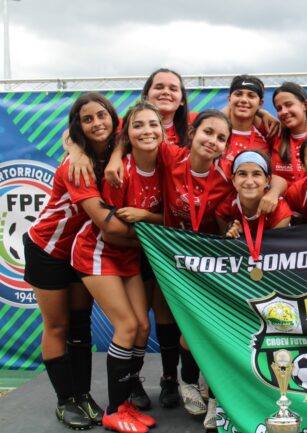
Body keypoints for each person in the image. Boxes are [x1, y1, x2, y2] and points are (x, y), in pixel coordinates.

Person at [23, 93, 121, 429]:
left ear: (113, 117)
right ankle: (65, 400)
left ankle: (83, 395)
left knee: (80, 325)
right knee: (57, 326)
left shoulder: (114, 151)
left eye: (101, 115)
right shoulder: (74, 164)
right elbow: (102, 219)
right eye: (87, 119)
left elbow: (131, 134)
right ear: (78, 127)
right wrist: (75, 150)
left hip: (80, 251)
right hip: (47, 249)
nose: (97, 123)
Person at [71, 101, 162, 433]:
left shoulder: (165, 166)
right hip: (97, 252)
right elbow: (109, 229)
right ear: (128, 134)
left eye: (153, 125)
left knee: (142, 327)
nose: (147, 131)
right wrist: (149, 238)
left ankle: (126, 404)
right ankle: (113, 410)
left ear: (163, 131)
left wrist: (150, 221)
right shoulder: (119, 171)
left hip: (128, 255)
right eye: (138, 125)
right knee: (127, 326)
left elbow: (170, 219)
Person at [217, 150, 291, 238]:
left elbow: (274, 245)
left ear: (267, 180)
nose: (249, 182)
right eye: (242, 174)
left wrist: (243, 238)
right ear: (233, 180)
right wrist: (232, 237)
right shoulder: (225, 209)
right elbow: (224, 241)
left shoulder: (280, 211)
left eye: (256, 174)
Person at [222, 75, 272, 162]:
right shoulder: (214, 134)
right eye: (238, 94)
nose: (244, 100)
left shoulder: (266, 139)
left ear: (260, 104)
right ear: (229, 100)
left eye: (251, 96)